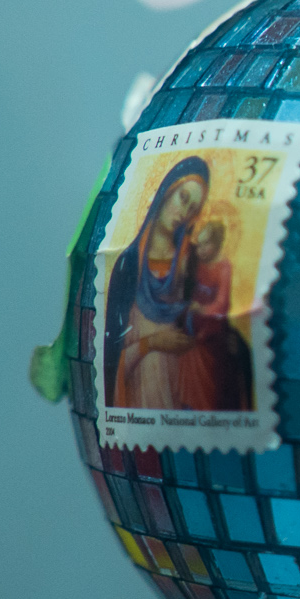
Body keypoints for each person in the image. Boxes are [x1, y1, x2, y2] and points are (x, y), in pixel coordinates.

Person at [103, 155, 255, 413]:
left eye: (193, 210)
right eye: (183, 199)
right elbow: (108, 359)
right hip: (144, 400)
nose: (184, 214)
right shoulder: (128, 266)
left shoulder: (192, 262)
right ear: (166, 191)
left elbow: (213, 318)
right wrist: (151, 344)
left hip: (186, 395)